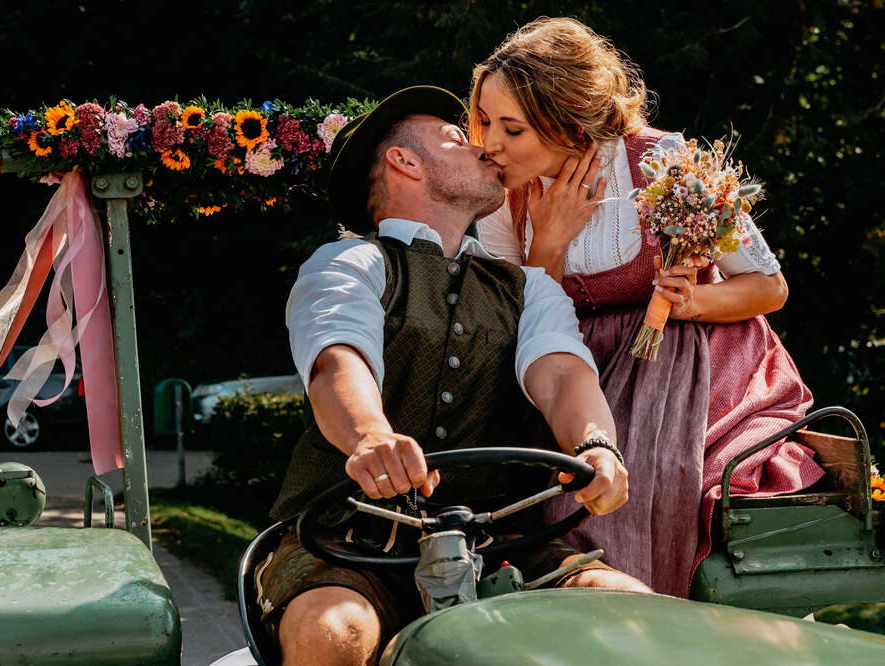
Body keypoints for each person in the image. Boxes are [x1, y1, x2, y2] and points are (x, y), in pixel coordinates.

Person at [260, 86, 650, 666]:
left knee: (635, 612)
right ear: (405, 162)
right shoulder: (349, 262)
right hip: (342, 543)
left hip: (498, 546)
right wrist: (369, 434)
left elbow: (562, 374)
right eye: (456, 138)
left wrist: (595, 444)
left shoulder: (527, 287)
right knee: (333, 632)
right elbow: (338, 359)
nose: (485, 149)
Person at [469, 17, 825, 598]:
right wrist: (549, 246)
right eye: (485, 122)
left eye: (513, 128)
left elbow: (769, 286)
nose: (490, 144)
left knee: (660, 481)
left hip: (693, 366)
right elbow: (519, 324)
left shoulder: (662, 161)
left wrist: (693, 301)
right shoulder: (500, 195)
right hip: (575, 371)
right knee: (562, 488)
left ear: (571, 124)